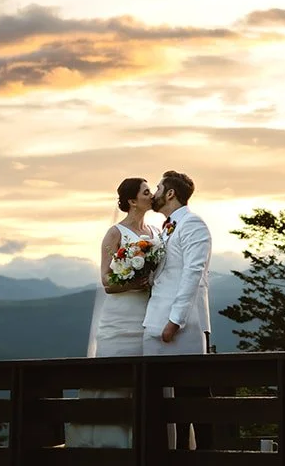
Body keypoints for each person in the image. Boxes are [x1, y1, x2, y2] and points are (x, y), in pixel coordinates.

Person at [68, 177, 160, 451]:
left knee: (148, 381)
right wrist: (133, 281)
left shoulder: (155, 231)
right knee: (113, 380)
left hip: (149, 314)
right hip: (121, 317)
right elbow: (107, 281)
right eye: (146, 192)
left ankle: (145, 443)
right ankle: (105, 445)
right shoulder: (115, 233)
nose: (151, 195)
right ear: (132, 201)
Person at [142, 170, 211, 450]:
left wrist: (175, 321)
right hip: (156, 320)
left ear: (170, 193)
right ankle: (172, 458)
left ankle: (205, 460)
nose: (155, 193)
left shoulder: (193, 224)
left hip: (183, 325)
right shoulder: (166, 228)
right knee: (163, 401)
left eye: (158, 188)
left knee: (193, 399)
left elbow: (192, 273)